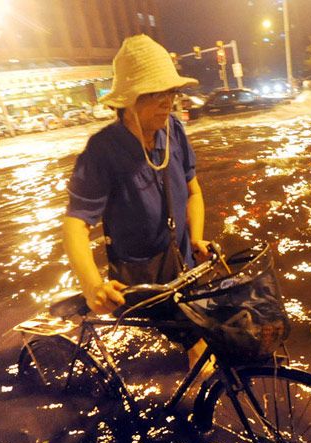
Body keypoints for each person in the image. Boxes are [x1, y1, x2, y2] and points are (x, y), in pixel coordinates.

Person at [62, 34, 210, 365]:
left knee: (207, 334)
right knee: (202, 352)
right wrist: (93, 286)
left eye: (170, 91)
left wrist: (197, 237)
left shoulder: (174, 130)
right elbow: (75, 223)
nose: (167, 101)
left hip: (182, 263)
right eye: (155, 93)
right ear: (128, 100)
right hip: (141, 276)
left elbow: (194, 191)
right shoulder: (102, 151)